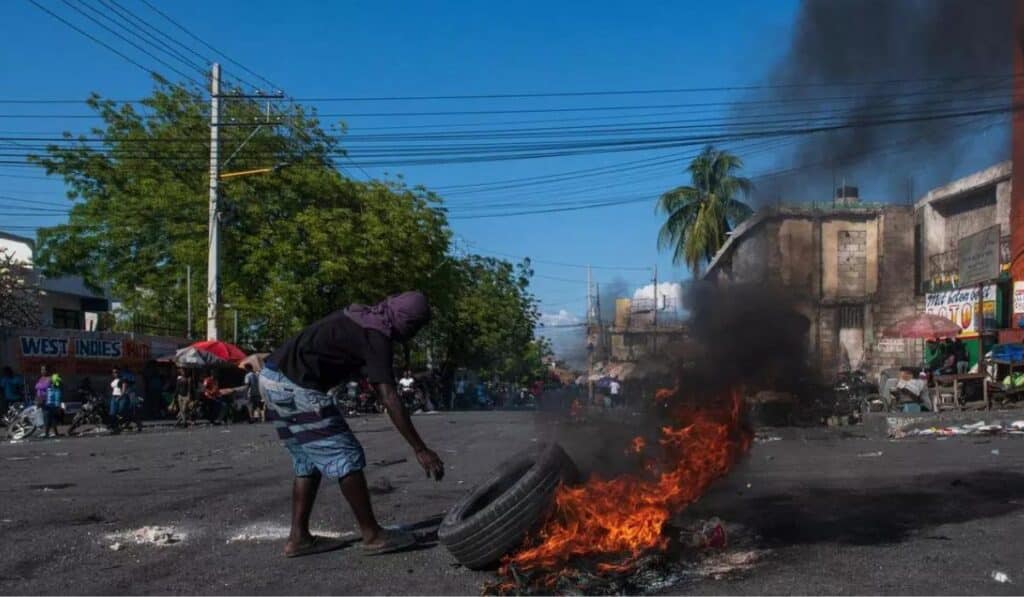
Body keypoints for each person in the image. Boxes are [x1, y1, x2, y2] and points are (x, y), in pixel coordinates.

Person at [260, 291, 444, 558]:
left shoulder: (363, 317)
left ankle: (299, 538)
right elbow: (389, 396)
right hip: (296, 386)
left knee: (308, 461)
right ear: (405, 319)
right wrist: (420, 448)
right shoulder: (376, 333)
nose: (413, 333)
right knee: (346, 454)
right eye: (415, 326)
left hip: (271, 377)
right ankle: (372, 534)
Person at [43, 372, 63, 438]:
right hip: (51, 407)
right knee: (51, 421)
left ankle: (48, 433)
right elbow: (57, 399)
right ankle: (51, 433)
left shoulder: (51, 389)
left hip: (50, 407)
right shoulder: (55, 389)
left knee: (50, 421)